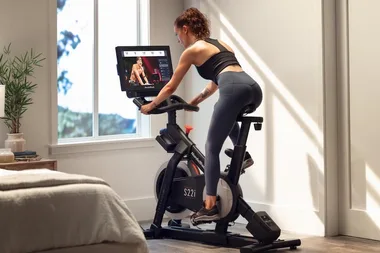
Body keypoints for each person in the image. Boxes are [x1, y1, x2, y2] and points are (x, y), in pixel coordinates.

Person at [141, 7, 263, 224]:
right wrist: (194, 102)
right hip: (253, 88)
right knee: (227, 114)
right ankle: (243, 157)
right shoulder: (220, 44)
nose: (178, 40)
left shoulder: (191, 51)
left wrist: (151, 105)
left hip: (234, 89)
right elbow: (216, 83)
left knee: (211, 148)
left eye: (177, 34)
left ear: (185, 29)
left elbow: (170, 86)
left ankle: (210, 206)